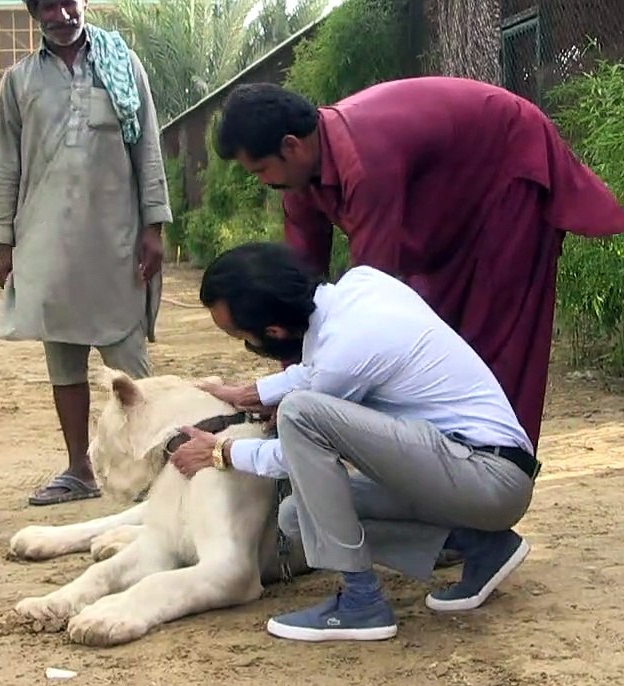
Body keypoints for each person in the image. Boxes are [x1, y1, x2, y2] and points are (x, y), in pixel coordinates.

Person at [212, 79, 624, 448]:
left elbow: (372, 304)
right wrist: (289, 387)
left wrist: (303, 398)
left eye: (260, 170)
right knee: (430, 345)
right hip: (446, 217)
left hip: (505, 175)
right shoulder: (297, 175)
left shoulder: (365, 161)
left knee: (491, 348)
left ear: (290, 146)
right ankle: (444, 492)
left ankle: (493, 485)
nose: (263, 182)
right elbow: (295, 291)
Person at [167, 242, 539, 643]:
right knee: (296, 516)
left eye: (242, 336)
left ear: (273, 332)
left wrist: (222, 452)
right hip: (469, 471)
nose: (247, 345)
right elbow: (317, 370)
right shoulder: (362, 286)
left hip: (486, 478)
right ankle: (483, 546)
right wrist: (254, 391)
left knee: (299, 412)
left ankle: (362, 602)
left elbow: (299, 448)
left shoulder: (345, 352)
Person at [0, 0, 172, 506]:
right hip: (46, 242)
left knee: (130, 365)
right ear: (34, 13)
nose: (62, 13)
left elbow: (148, 149)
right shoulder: (19, 81)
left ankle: (154, 468)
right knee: (64, 363)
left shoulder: (122, 64)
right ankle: (79, 469)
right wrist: (4, 244)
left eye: (70, 1)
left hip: (116, 240)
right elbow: (6, 164)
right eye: (49, 5)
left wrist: (154, 228)